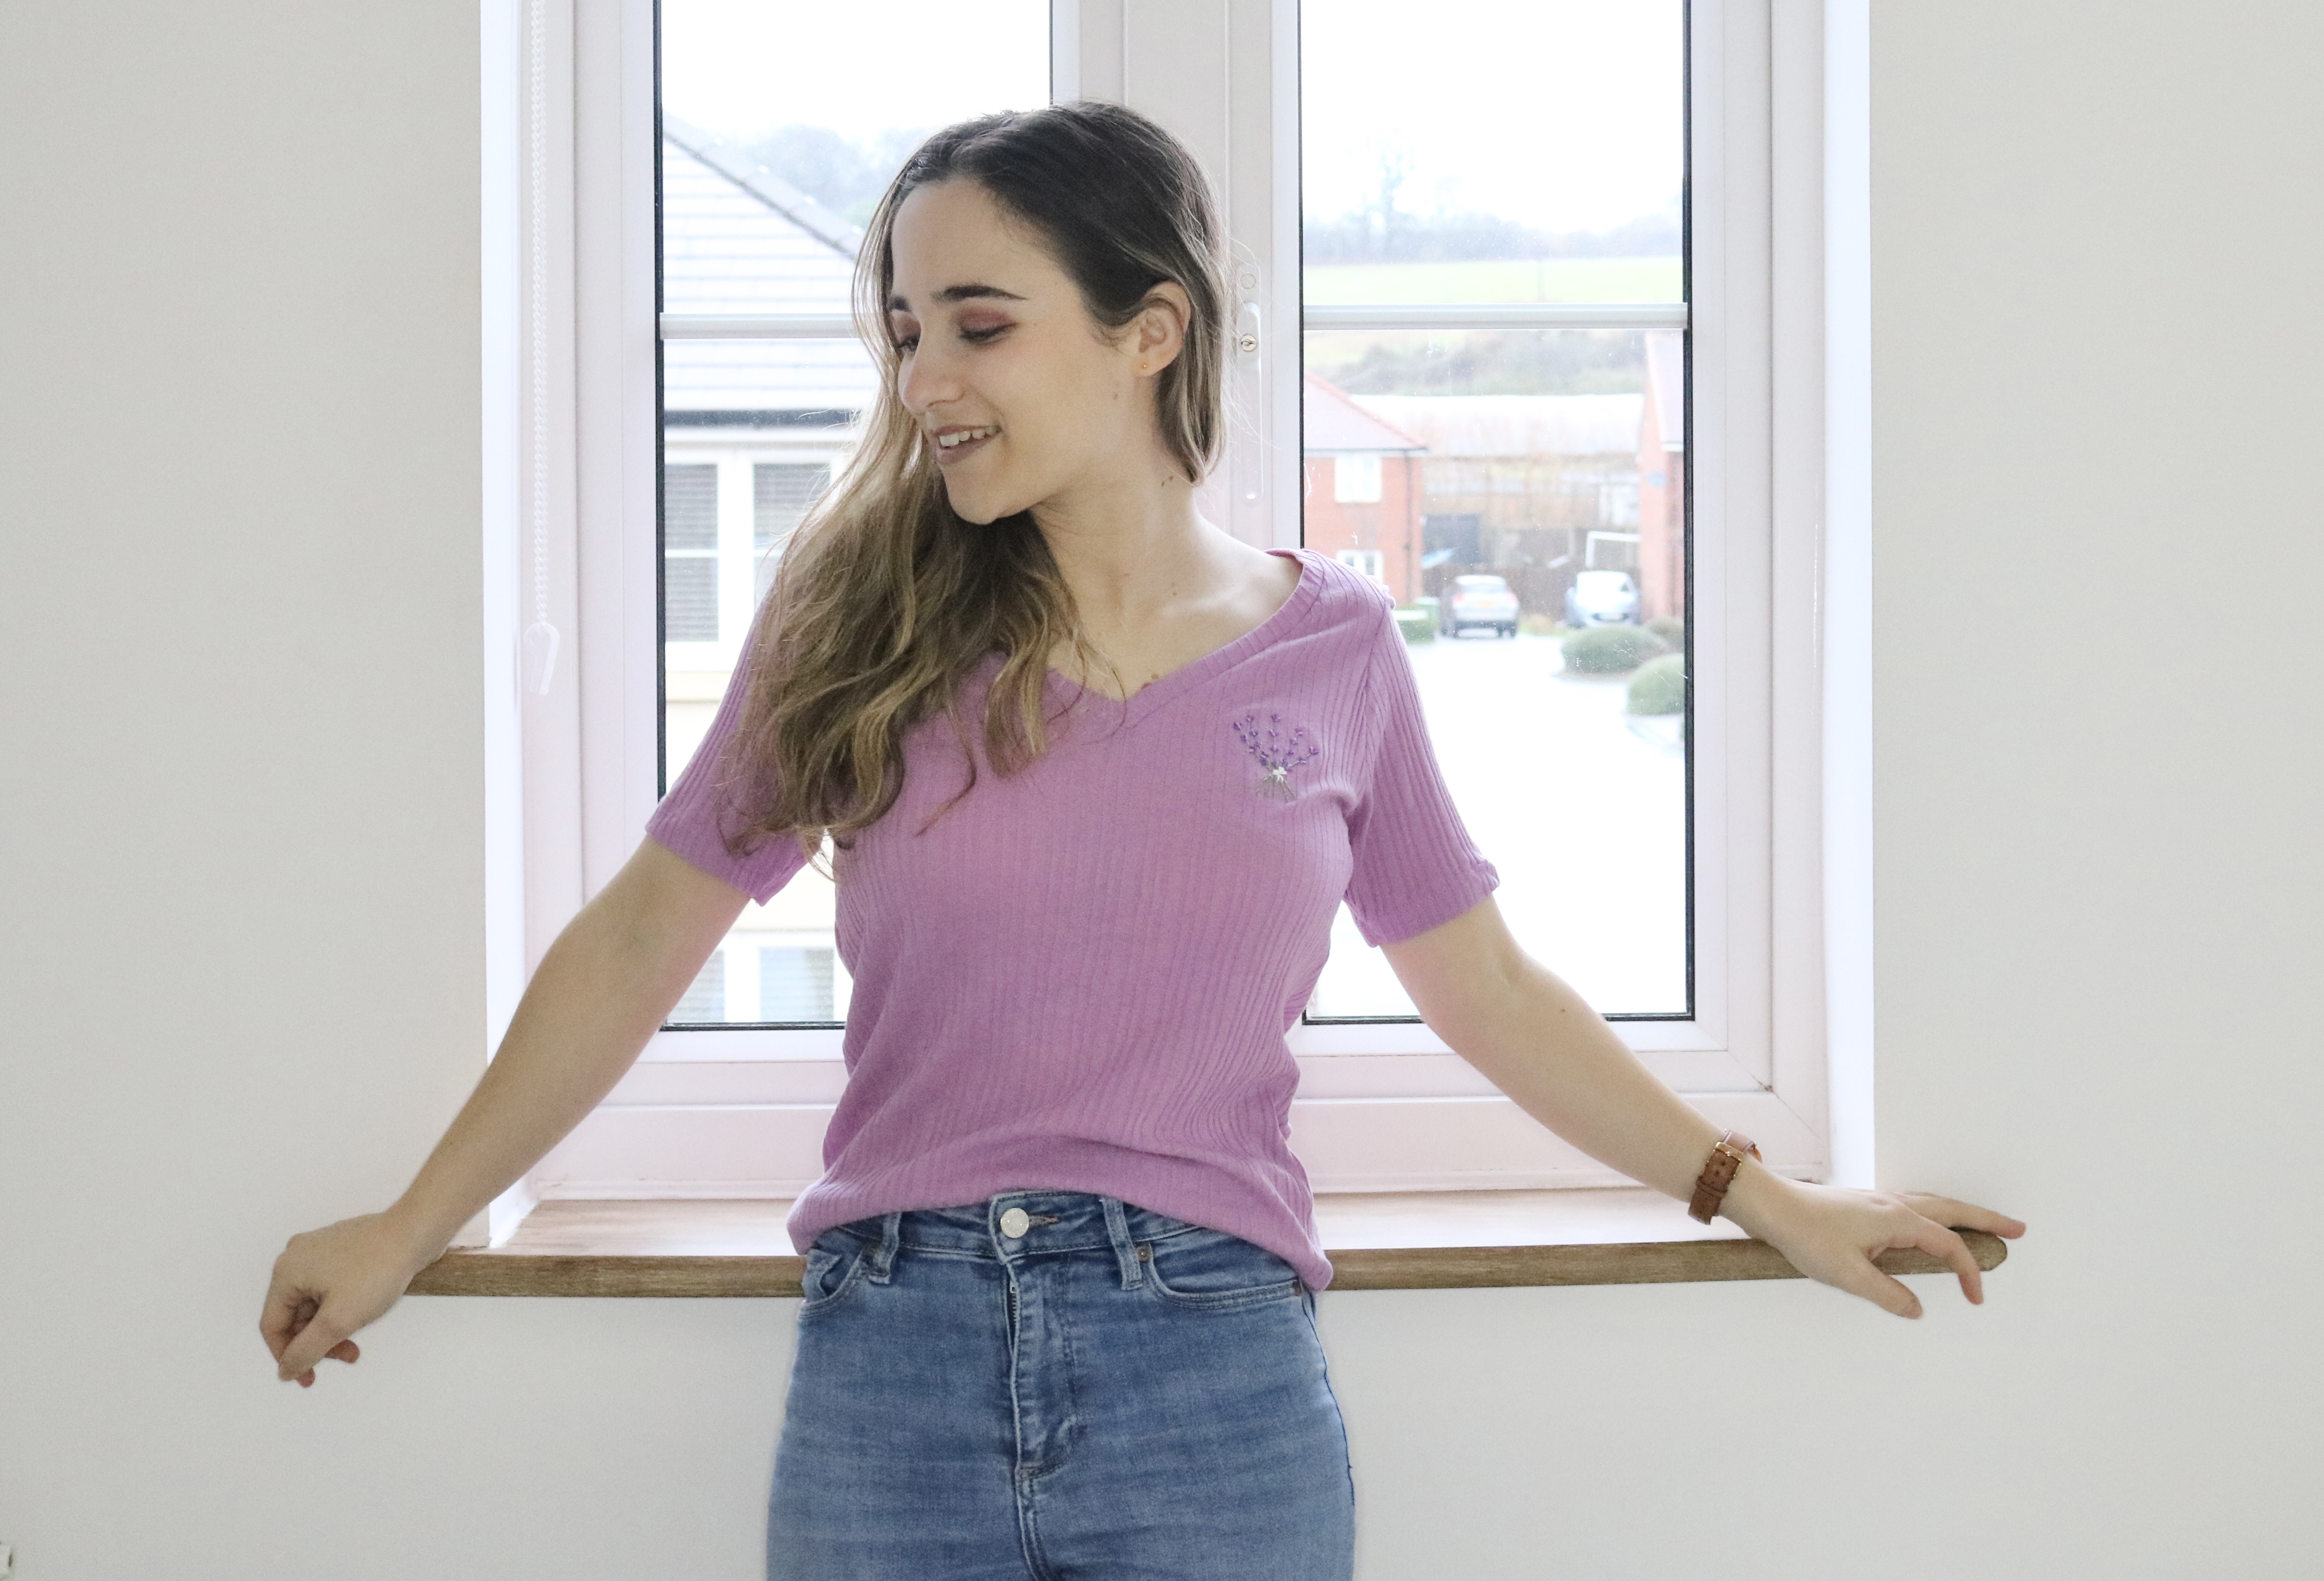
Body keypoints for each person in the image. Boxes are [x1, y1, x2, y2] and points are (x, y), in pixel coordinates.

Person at [262, 101, 2025, 1579]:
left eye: (977, 321)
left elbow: (1483, 984)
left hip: (1213, 1363)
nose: (923, 376)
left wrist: (1771, 1201)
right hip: (893, 1357)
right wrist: (417, 1224)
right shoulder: (854, 617)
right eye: (899, 330)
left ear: (1149, 330)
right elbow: (647, 933)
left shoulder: (1332, 647)